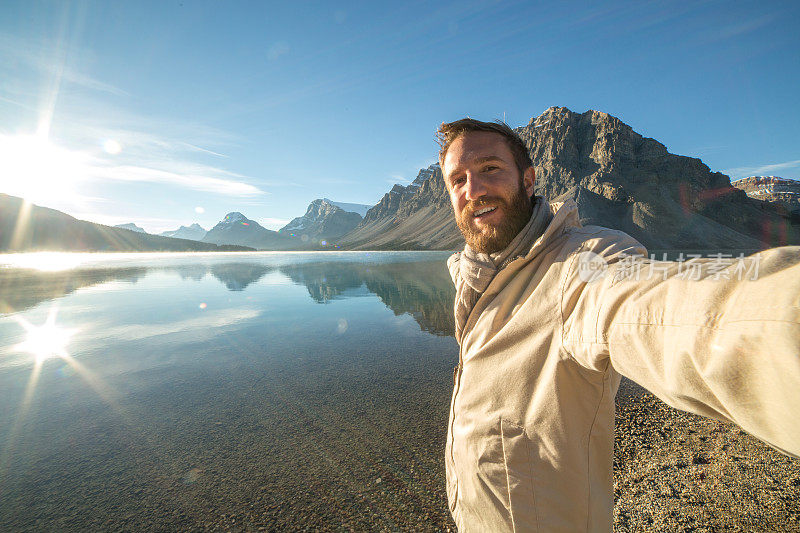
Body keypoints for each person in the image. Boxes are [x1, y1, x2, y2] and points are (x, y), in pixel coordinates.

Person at [438, 118, 800, 532]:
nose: (474, 190)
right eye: (458, 180)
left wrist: (783, 320)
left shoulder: (581, 266)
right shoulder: (477, 280)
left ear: (529, 179)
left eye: (489, 169)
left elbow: (653, 307)